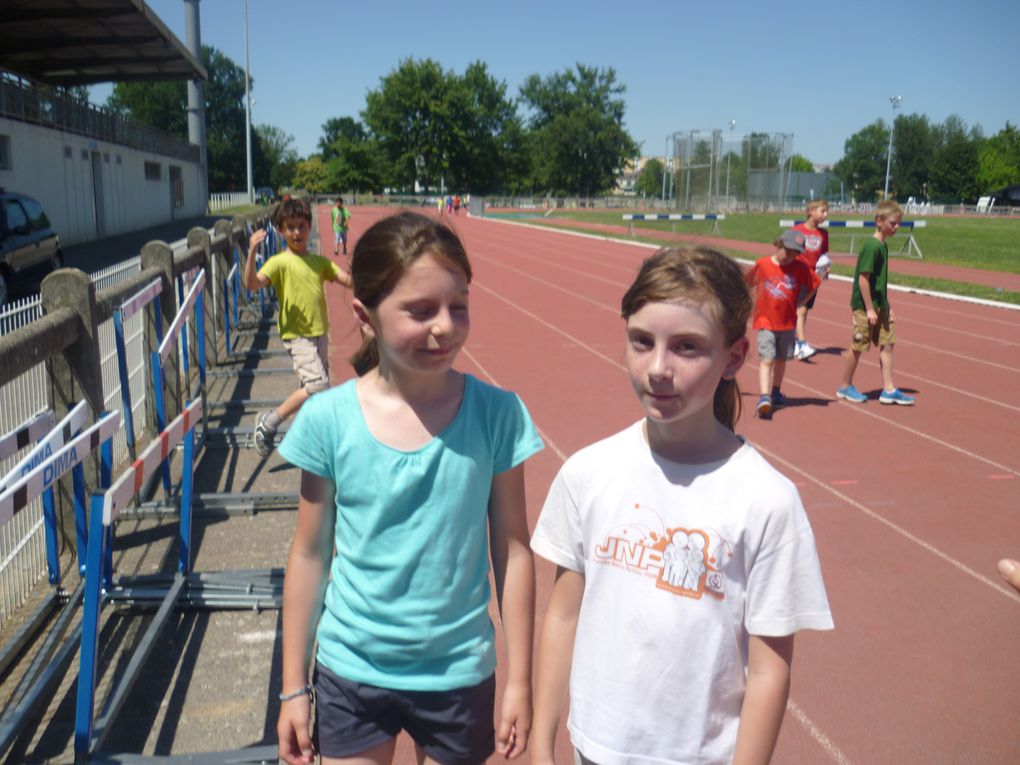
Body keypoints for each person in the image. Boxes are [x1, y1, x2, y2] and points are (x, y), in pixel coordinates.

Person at [530, 246, 833, 765]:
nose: (658, 368)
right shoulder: (588, 472)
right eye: (641, 342)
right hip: (594, 750)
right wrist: (542, 741)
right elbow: (562, 616)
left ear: (734, 357)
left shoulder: (766, 501)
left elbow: (769, 669)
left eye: (687, 347)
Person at [275, 211, 543, 765]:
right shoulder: (328, 419)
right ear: (364, 314)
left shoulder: (498, 414)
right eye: (420, 311)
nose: (443, 326)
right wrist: (293, 687)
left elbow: (513, 549)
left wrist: (519, 679)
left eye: (458, 306)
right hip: (351, 669)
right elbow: (308, 553)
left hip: (458, 673)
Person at [244, 197, 352, 457]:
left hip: (319, 333)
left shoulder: (319, 262)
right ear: (281, 231)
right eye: (290, 227)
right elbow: (252, 284)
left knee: (316, 393)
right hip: (297, 335)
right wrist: (251, 253)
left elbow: (347, 279)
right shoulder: (280, 262)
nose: (297, 233)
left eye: (301, 226)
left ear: (309, 226)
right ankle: (269, 423)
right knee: (318, 384)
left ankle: (313, 443)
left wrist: (377, 282)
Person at [836, 200, 915, 405]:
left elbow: (880, 282)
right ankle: (845, 386)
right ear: (879, 221)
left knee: (888, 343)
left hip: (879, 305)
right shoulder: (872, 246)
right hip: (865, 307)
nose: (896, 227)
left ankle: (889, 389)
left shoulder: (883, 246)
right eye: (893, 223)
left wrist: (886, 306)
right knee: (858, 346)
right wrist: (870, 309)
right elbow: (864, 279)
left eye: (899, 223)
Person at [744, 229, 821, 419]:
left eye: (795, 254)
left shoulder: (800, 268)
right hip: (766, 321)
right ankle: (764, 397)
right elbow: (747, 282)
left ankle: (776, 391)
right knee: (767, 359)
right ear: (778, 245)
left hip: (787, 323)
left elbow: (815, 283)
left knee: (781, 360)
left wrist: (801, 303)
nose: (790, 257)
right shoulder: (762, 264)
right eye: (788, 252)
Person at [792, 199, 831, 360]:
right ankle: (801, 343)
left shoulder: (823, 234)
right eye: (822, 211)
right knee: (800, 309)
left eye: (826, 211)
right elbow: (789, 251)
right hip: (798, 275)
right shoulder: (797, 230)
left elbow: (823, 254)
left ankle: (796, 344)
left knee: (804, 310)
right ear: (810, 212)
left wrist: (825, 267)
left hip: (814, 277)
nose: (825, 214)